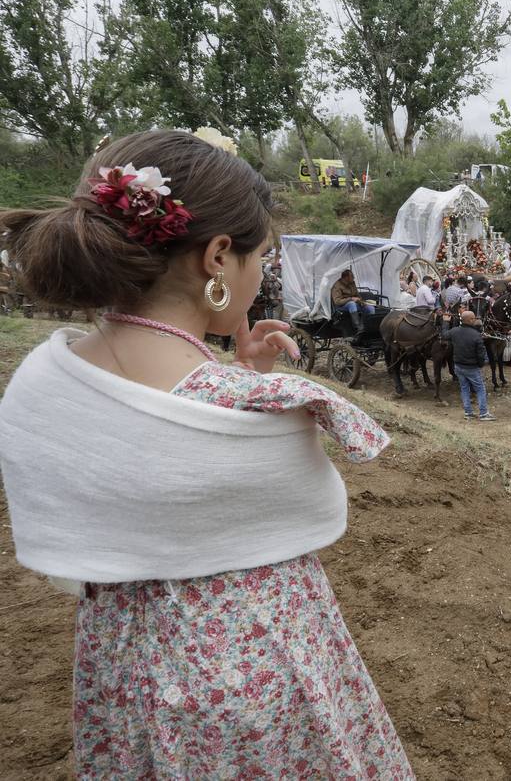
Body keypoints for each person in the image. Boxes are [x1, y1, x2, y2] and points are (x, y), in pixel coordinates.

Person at [0, 129, 412, 775]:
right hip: (243, 680)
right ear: (218, 257)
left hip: (119, 677)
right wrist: (249, 383)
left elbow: (147, 465)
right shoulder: (252, 406)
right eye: (262, 259)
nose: (262, 275)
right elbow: (304, 495)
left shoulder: (41, 384)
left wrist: (234, 369)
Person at [450, 310, 494, 420]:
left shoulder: (454, 331)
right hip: (471, 367)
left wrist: (446, 323)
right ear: (470, 320)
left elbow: (444, 334)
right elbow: (481, 354)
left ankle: (468, 413)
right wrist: (480, 364)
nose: (475, 320)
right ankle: (483, 413)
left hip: (458, 366)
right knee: (480, 389)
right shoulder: (476, 335)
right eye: (474, 318)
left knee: (464, 389)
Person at [331, 268, 375, 333]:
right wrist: (351, 299)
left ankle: (367, 325)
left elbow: (357, 294)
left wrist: (361, 301)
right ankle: (357, 327)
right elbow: (337, 302)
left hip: (353, 304)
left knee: (370, 307)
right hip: (341, 306)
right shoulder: (337, 286)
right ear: (346, 277)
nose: (354, 278)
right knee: (351, 304)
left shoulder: (352, 283)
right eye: (352, 276)